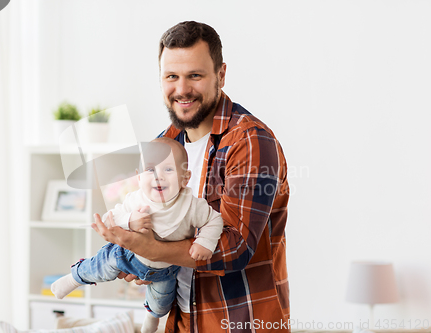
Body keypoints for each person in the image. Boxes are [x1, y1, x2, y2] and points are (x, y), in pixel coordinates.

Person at [93, 21, 290, 332]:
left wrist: (152, 250)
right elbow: (158, 224)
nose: (182, 89)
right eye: (172, 76)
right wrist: (138, 256)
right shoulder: (166, 141)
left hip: (238, 322)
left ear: (221, 75)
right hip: (181, 319)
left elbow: (235, 247)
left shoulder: (250, 141)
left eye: (194, 76)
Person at [51, 137, 224, 333]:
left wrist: (205, 243)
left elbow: (215, 220)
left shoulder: (191, 206)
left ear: (185, 178)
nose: (158, 176)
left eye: (168, 169)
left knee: (161, 303)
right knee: (101, 267)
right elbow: (111, 218)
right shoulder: (136, 200)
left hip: (166, 269)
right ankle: (74, 278)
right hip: (128, 256)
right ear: (139, 177)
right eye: (150, 170)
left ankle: (150, 318)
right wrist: (129, 220)